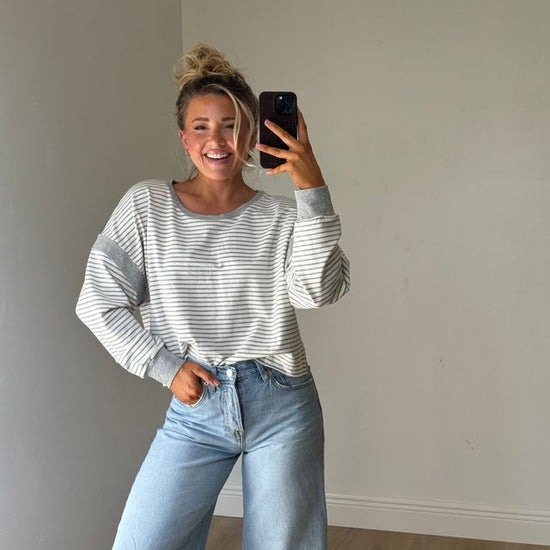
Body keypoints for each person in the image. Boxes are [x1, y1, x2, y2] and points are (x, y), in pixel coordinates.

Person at [75, 43, 350, 550]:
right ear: (184, 139)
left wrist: (312, 191)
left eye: (230, 125)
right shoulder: (147, 205)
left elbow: (317, 292)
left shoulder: (282, 217)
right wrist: (164, 366)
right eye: (201, 127)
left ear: (251, 133)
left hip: (283, 403)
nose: (217, 140)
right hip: (197, 404)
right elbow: (97, 300)